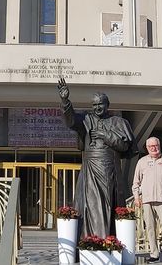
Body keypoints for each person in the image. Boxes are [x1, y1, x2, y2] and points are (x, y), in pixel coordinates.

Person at [57, 78, 134, 239]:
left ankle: (106, 241)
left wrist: (105, 135)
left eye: (100, 104)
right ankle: (88, 241)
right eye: (94, 105)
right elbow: (71, 121)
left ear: (107, 105)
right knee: (88, 206)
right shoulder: (86, 119)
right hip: (90, 169)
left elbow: (124, 146)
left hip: (108, 169)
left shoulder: (118, 122)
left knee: (105, 206)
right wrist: (65, 101)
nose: (97, 107)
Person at [132, 137, 162, 264]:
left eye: (156, 145)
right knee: (149, 228)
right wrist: (136, 197)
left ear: (159, 145)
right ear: (147, 148)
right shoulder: (142, 162)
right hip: (147, 200)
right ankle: (154, 254)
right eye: (151, 146)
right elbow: (136, 182)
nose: (154, 148)